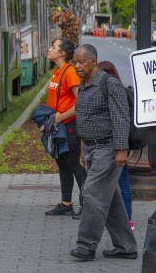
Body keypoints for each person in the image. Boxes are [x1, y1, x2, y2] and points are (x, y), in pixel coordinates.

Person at [69, 44, 137, 261]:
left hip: (107, 148)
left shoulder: (109, 84)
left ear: (94, 62)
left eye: (81, 62)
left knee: (91, 193)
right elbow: (83, 117)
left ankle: (86, 246)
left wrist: (121, 150)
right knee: (110, 198)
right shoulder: (84, 84)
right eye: (75, 62)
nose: (77, 66)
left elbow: (120, 118)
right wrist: (82, 147)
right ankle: (126, 246)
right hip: (90, 147)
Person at [43, 39, 85, 216]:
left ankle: (88, 205)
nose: (49, 49)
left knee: (74, 165)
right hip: (58, 126)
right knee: (63, 164)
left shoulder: (70, 73)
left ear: (62, 53)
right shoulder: (57, 72)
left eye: (53, 47)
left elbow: (81, 102)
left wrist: (60, 117)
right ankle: (66, 203)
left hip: (68, 126)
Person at [96, 61, 135, 232]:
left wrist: (120, 148)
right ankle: (126, 219)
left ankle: (124, 220)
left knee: (118, 183)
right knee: (122, 182)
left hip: (114, 145)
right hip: (119, 144)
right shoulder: (120, 90)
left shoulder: (112, 92)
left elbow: (119, 120)